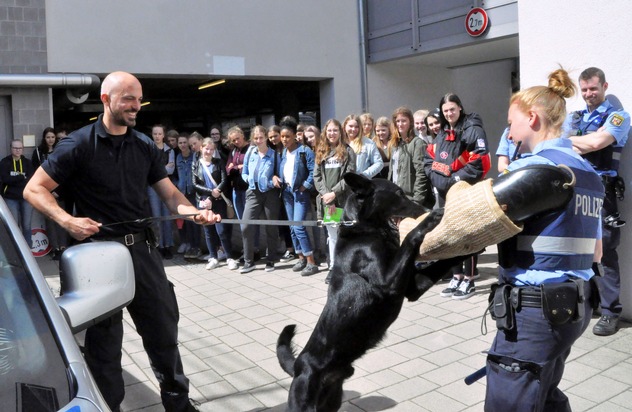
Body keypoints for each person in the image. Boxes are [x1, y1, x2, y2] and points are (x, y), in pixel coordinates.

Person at [23, 71, 219, 412]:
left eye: (138, 98)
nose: (136, 105)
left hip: (142, 252)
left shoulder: (143, 145)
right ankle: (108, 406)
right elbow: (33, 189)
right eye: (128, 98)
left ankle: (178, 403)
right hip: (98, 260)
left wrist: (194, 212)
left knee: (163, 333)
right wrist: (67, 220)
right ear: (106, 100)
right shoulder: (78, 144)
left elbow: (171, 195)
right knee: (104, 346)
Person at [485, 67, 603, 412]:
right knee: (546, 396)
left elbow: (470, 225)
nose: (509, 131)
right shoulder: (588, 173)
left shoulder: (536, 169)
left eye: (511, 122)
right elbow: (595, 251)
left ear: (532, 118)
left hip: (535, 313)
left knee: (512, 401)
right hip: (572, 307)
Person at [566, 67, 631, 336]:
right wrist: (583, 140)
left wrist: (577, 141)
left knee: (604, 254)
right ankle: (587, 304)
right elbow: (561, 142)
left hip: (602, 194)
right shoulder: (576, 116)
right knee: (578, 250)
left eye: (593, 88)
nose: (588, 94)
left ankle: (610, 312)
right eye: (584, 90)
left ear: (604, 86)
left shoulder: (619, 117)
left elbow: (598, 143)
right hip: (576, 191)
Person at [424, 93, 490, 299]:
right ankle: (456, 275)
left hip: (464, 190)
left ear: (460, 108)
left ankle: (469, 280)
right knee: (450, 234)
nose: (449, 113)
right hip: (444, 194)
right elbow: (429, 159)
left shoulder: (472, 128)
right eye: (445, 111)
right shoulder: (443, 132)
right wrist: (438, 179)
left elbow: (480, 160)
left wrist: (454, 180)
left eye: (452, 109)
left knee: (466, 234)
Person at [275, 116, 319, 276]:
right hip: (286, 192)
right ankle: (300, 257)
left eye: (287, 136)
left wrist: (305, 186)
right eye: (282, 136)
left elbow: (314, 171)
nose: (284, 139)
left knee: (299, 226)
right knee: (293, 227)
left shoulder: (304, 151)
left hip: (300, 193)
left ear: (295, 135)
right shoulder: (283, 153)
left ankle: (311, 261)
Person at [313, 119, 356, 283]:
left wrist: (334, 193)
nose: (332, 133)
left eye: (335, 130)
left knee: (346, 234)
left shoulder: (347, 151)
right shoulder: (321, 150)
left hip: (343, 200)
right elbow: (316, 176)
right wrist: (326, 195)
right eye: (329, 130)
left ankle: (347, 267)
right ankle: (333, 268)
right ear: (325, 132)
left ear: (340, 132)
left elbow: (350, 176)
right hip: (328, 203)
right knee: (332, 235)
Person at [240, 125, 281, 273]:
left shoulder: (274, 155)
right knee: (245, 226)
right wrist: (248, 179)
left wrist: (270, 182)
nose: (258, 141)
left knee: (271, 227)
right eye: (255, 138)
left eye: (261, 138)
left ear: (266, 138)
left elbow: (278, 176)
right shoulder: (250, 152)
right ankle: (248, 261)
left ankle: (271, 260)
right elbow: (244, 171)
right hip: (252, 192)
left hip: (270, 193)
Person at [193, 137, 238, 270]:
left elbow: (224, 181)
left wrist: (213, 195)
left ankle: (229, 256)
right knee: (208, 230)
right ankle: (213, 257)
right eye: (207, 148)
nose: (209, 151)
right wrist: (209, 193)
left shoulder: (219, 162)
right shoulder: (196, 164)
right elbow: (195, 184)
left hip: (218, 200)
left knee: (222, 231)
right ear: (201, 148)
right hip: (203, 201)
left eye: (212, 149)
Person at [32, 127, 66, 259]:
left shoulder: (60, 151)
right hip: (45, 192)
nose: (50, 140)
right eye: (48, 137)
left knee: (61, 219)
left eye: (52, 137)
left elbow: (65, 173)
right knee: (50, 221)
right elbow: (35, 174)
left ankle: (63, 247)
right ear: (44, 138)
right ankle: (55, 248)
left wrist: (58, 191)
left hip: (59, 192)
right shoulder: (38, 152)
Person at [389, 106, 433, 208]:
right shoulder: (395, 144)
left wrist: (417, 201)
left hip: (411, 199)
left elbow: (421, 174)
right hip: (397, 197)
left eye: (403, 121)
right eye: (397, 121)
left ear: (410, 122)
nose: (400, 124)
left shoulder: (418, 143)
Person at [148, 124, 176, 259]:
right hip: (152, 187)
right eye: (155, 134)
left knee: (167, 218)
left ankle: (168, 246)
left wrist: (158, 169)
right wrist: (164, 167)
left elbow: (171, 170)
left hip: (167, 186)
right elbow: (148, 170)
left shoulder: (170, 151)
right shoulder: (148, 149)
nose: (157, 136)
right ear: (152, 135)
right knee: (157, 217)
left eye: (159, 134)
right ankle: (158, 245)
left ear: (163, 135)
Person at [269, 124, 296, 263]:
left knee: (292, 220)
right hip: (277, 191)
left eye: (276, 135)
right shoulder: (272, 151)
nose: (274, 139)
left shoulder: (289, 149)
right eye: (271, 136)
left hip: (291, 190)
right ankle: (289, 247)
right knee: (282, 220)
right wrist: (273, 176)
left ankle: (293, 249)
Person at [1, 139, 35, 248]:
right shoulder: (5, 162)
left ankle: (28, 249)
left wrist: (14, 179)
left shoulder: (28, 162)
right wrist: (21, 177)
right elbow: (5, 179)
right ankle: (16, 250)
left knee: (27, 225)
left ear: (23, 149)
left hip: (26, 197)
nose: (17, 150)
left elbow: (31, 179)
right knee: (14, 225)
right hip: (10, 198)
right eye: (15, 148)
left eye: (20, 148)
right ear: (11, 148)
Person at [184, 132, 204, 259]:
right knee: (193, 221)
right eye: (191, 145)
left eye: (195, 143)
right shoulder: (195, 157)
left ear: (201, 141)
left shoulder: (210, 154)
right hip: (196, 193)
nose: (193, 147)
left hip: (209, 194)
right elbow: (194, 178)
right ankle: (195, 247)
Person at [343, 114, 383, 178]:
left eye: (356, 127)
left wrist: (364, 175)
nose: (353, 129)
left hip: (360, 183)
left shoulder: (368, 143)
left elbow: (379, 163)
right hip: (341, 184)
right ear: (345, 126)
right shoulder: (339, 143)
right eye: (350, 126)